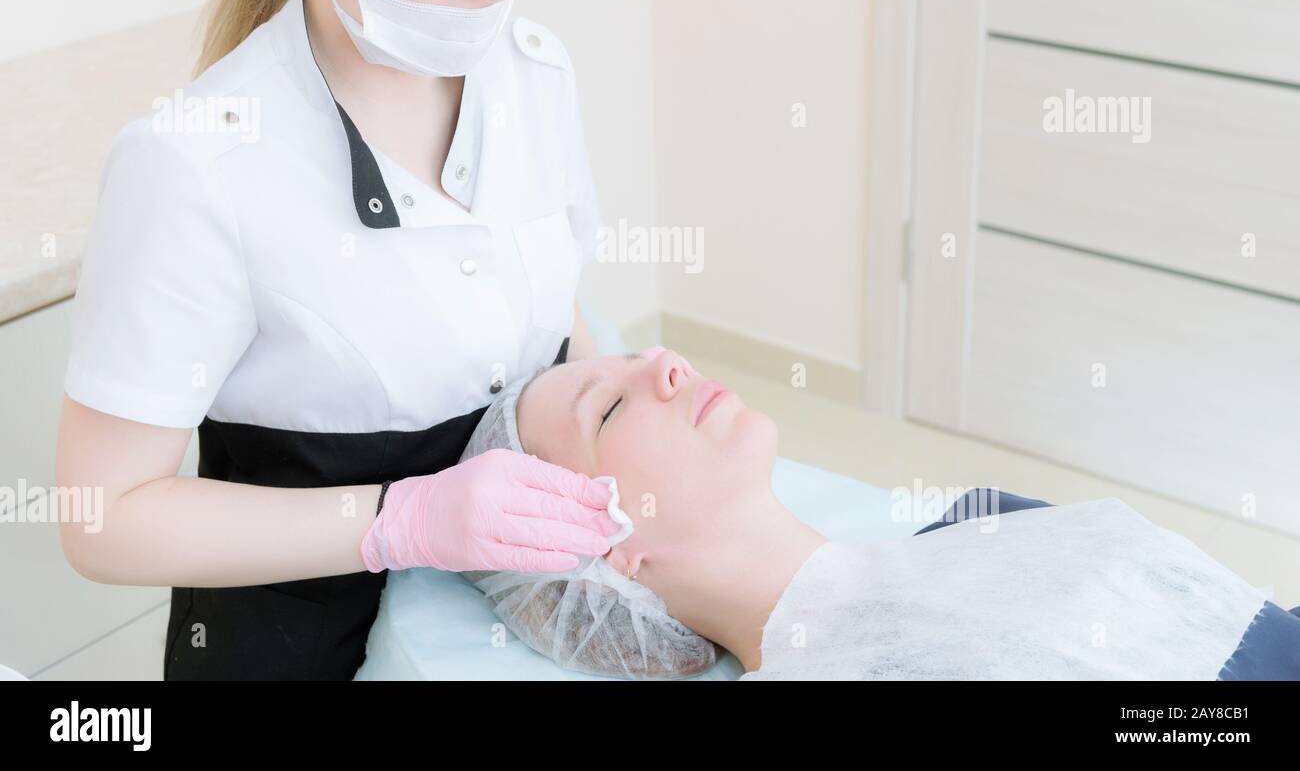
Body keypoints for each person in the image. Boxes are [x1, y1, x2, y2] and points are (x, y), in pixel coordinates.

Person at [55, 0, 620, 681]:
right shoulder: (196, 166)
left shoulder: (537, 76)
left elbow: (550, 307)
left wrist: (622, 408)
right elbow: (102, 515)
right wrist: (401, 518)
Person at [457, 347, 1300, 680]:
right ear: (610, 556)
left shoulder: (984, 518)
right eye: (608, 409)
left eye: (641, 358)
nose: (668, 368)